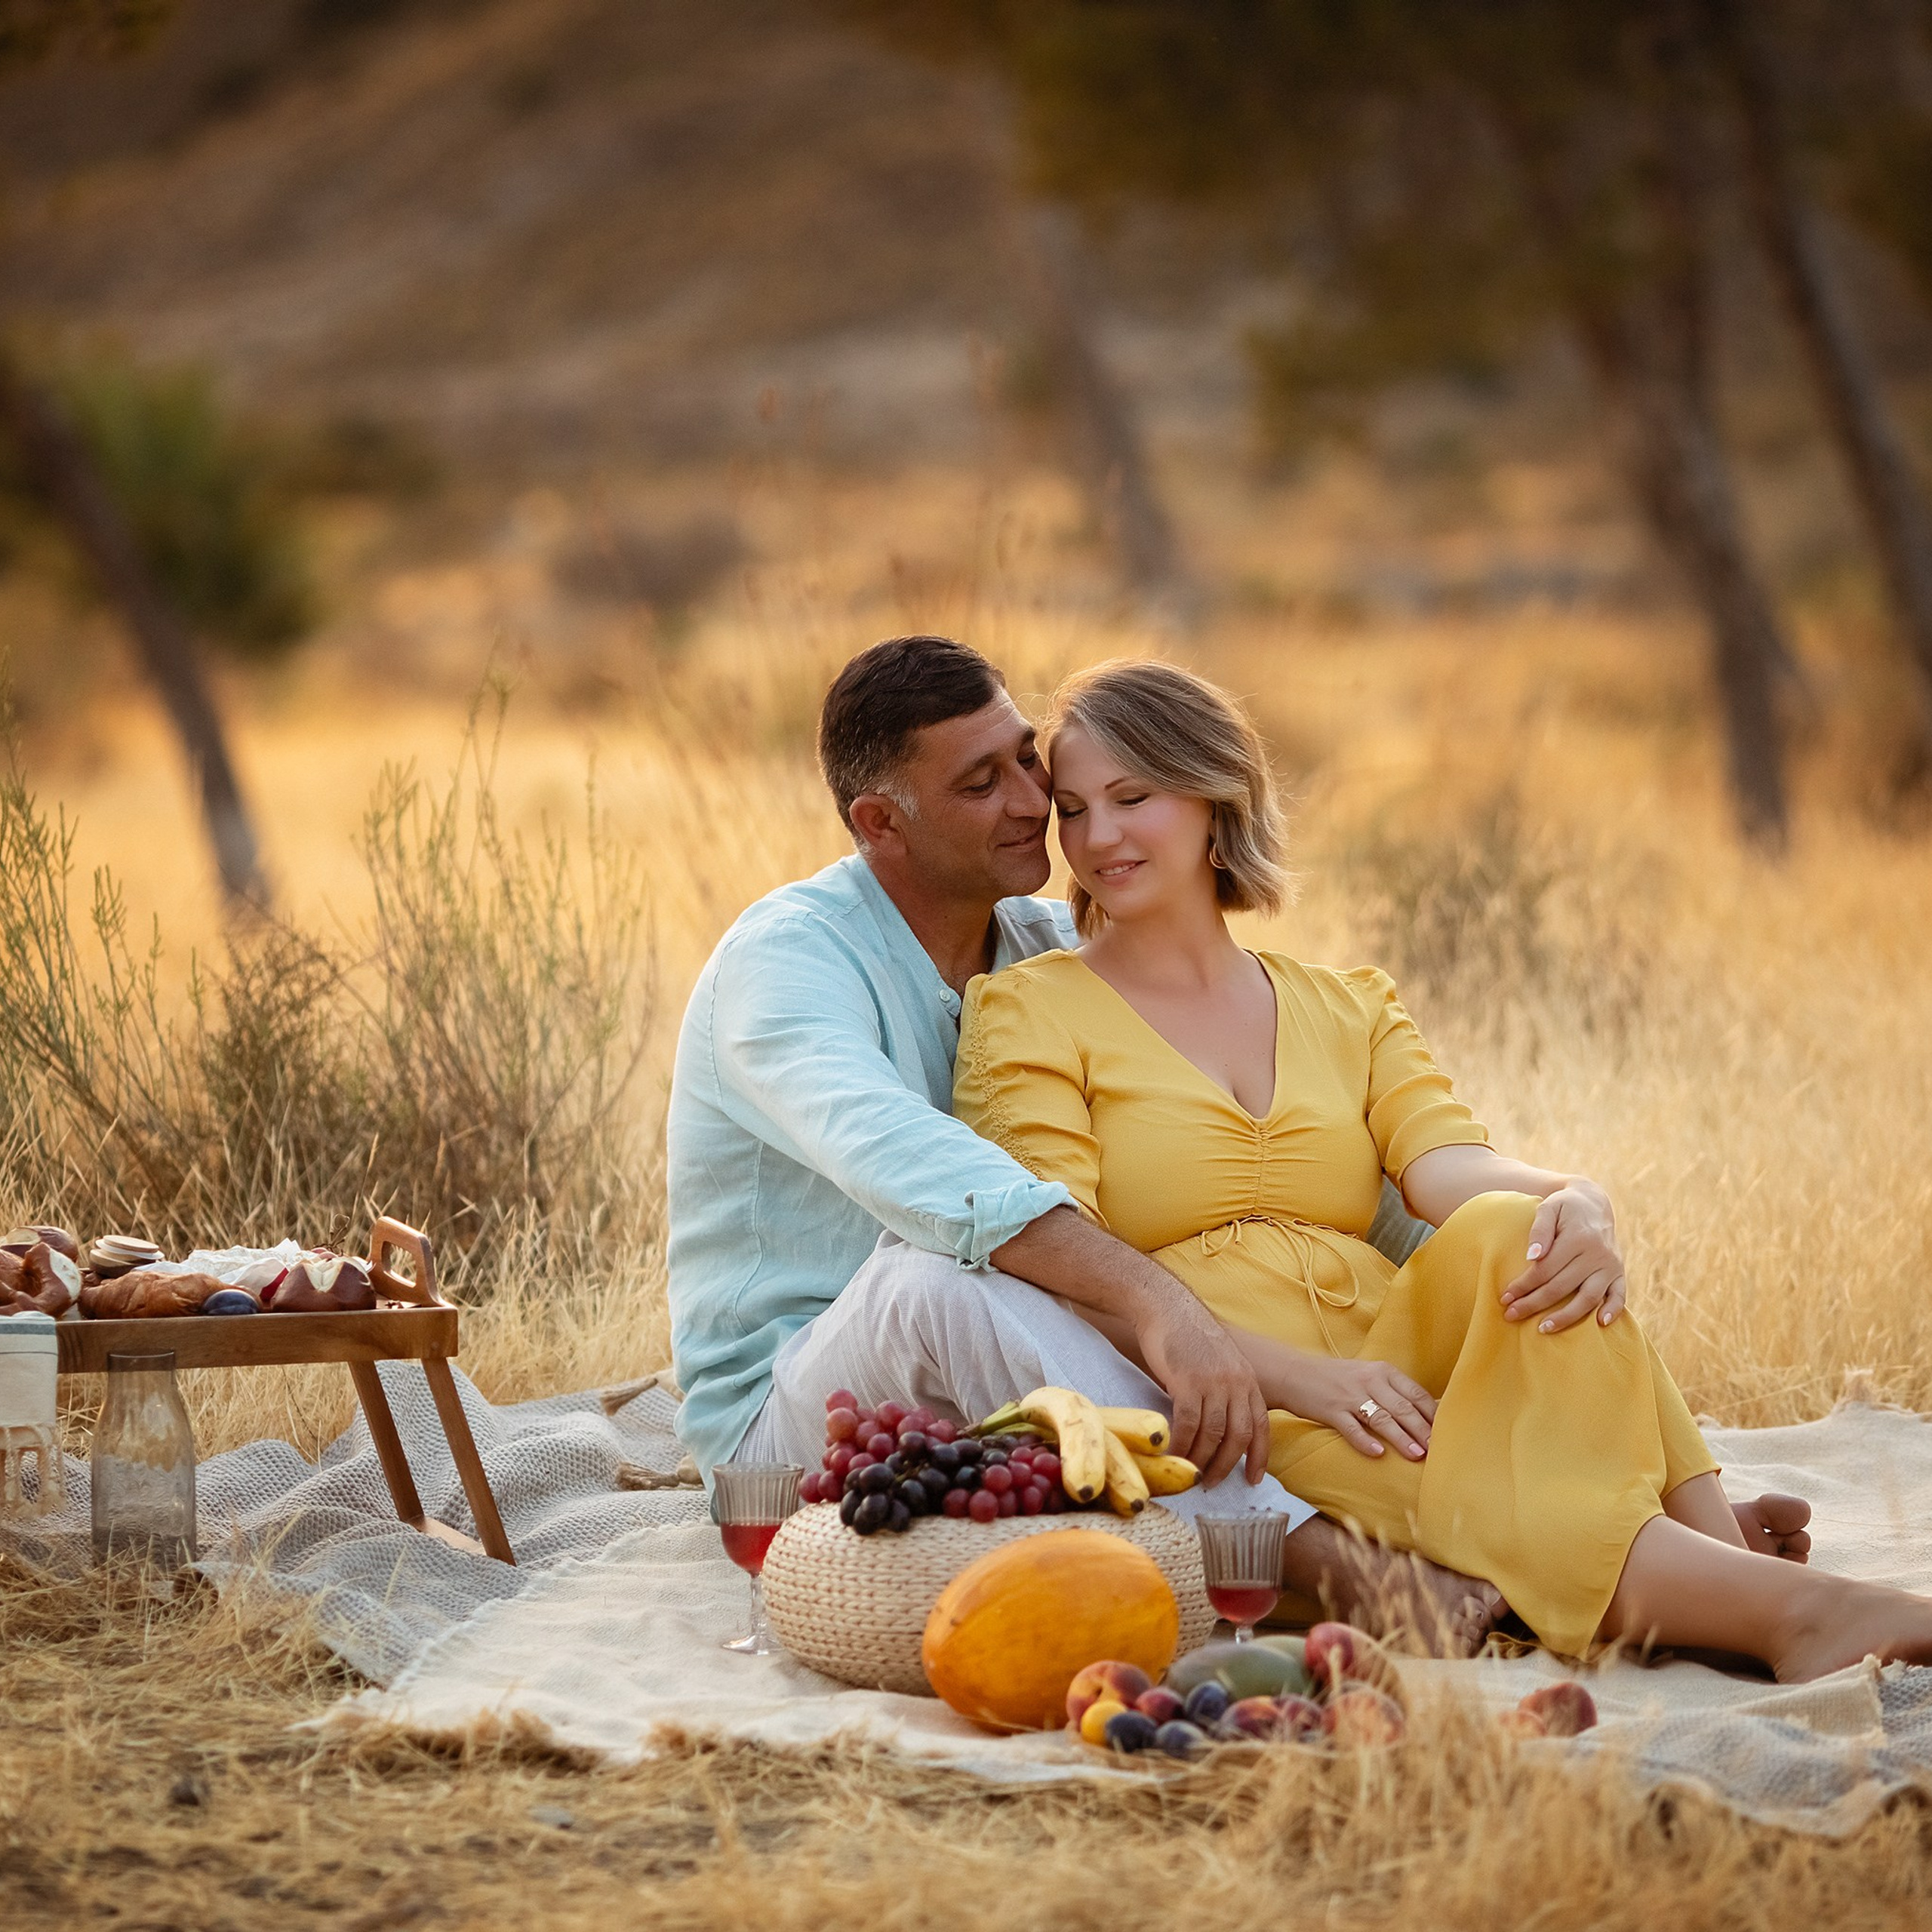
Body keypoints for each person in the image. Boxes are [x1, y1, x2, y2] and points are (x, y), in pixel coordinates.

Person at [952, 657, 1930, 1679]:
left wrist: (1578, 1199)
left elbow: (1450, 1169)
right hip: (1241, 1395)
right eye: (1073, 810)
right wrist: (1308, 1380)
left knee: (1525, 1235)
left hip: (1401, 1347)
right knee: (1485, 1483)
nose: (1098, 837)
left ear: (1213, 798)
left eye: (1132, 797)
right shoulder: (1027, 1010)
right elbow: (1069, 1267)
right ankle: (1773, 1598)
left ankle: (1710, 1562)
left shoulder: (1351, 1003)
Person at [668, 634, 1506, 1651]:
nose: (1037, 801)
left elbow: (1294, 1163)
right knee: (937, 1279)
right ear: (882, 823)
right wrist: (1164, 1309)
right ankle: (1310, 1560)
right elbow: (912, 1164)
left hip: (1023, 1401)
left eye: (1026, 757)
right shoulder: (787, 961)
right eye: (983, 782)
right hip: (801, 1420)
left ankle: (1562, 1523)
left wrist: (1475, 1261)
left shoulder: (1046, 949)